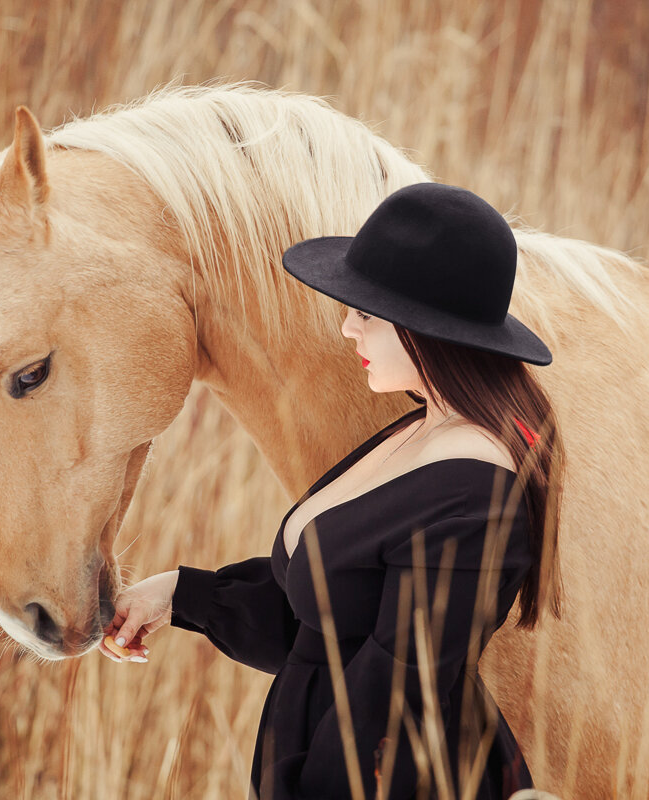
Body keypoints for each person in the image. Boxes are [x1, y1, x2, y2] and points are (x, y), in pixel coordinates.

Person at [100, 183, 564, 800]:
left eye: (366, 313)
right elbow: (324, 625)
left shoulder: (474, 492)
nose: (348, 328)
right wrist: (183, 596)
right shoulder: (422, 429)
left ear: (427, 326)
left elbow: (396, 696)